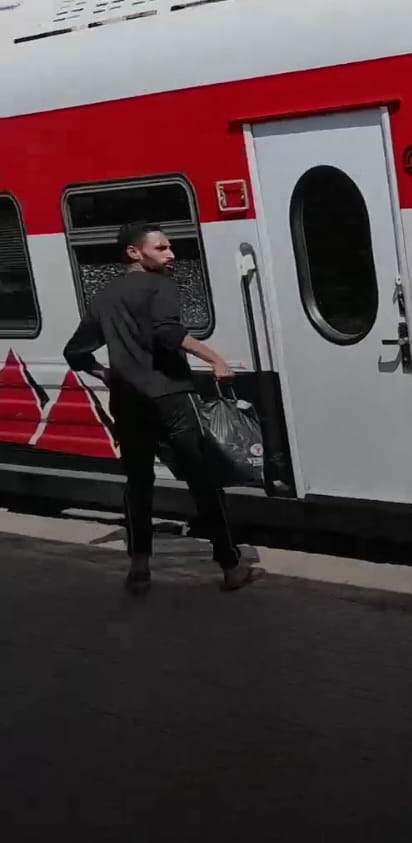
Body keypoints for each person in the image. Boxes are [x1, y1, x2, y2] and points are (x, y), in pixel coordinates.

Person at [63, 221, 261, 594]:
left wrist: (105, 373)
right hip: (171, 397)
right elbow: (167, 333)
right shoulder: (160, 286)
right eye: (161, 248)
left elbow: (75, 352)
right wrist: (215, 359)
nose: (171, 255)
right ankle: (231, 567)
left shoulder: (104, 297)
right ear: (133, 252)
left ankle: (139, 569)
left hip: (127, 402)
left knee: (139, 484)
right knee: (202, 482)